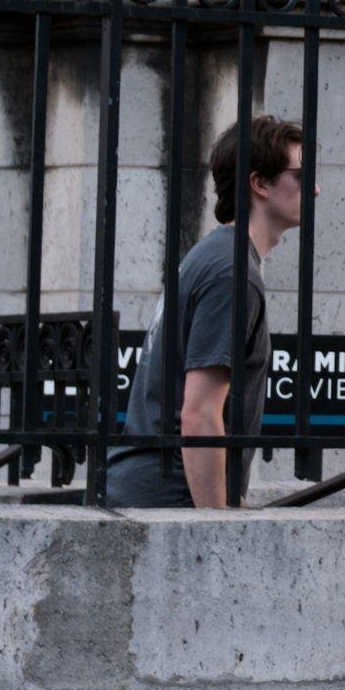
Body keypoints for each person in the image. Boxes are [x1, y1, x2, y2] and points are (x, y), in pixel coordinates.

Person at [105, 114, 303, 509]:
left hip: (155, 494)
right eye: (300, 175)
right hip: (170, 502)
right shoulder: (232, 273)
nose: (313, 188)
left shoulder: (212, 257)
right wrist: (216, 525)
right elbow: (199, 413)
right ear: (259, 183)